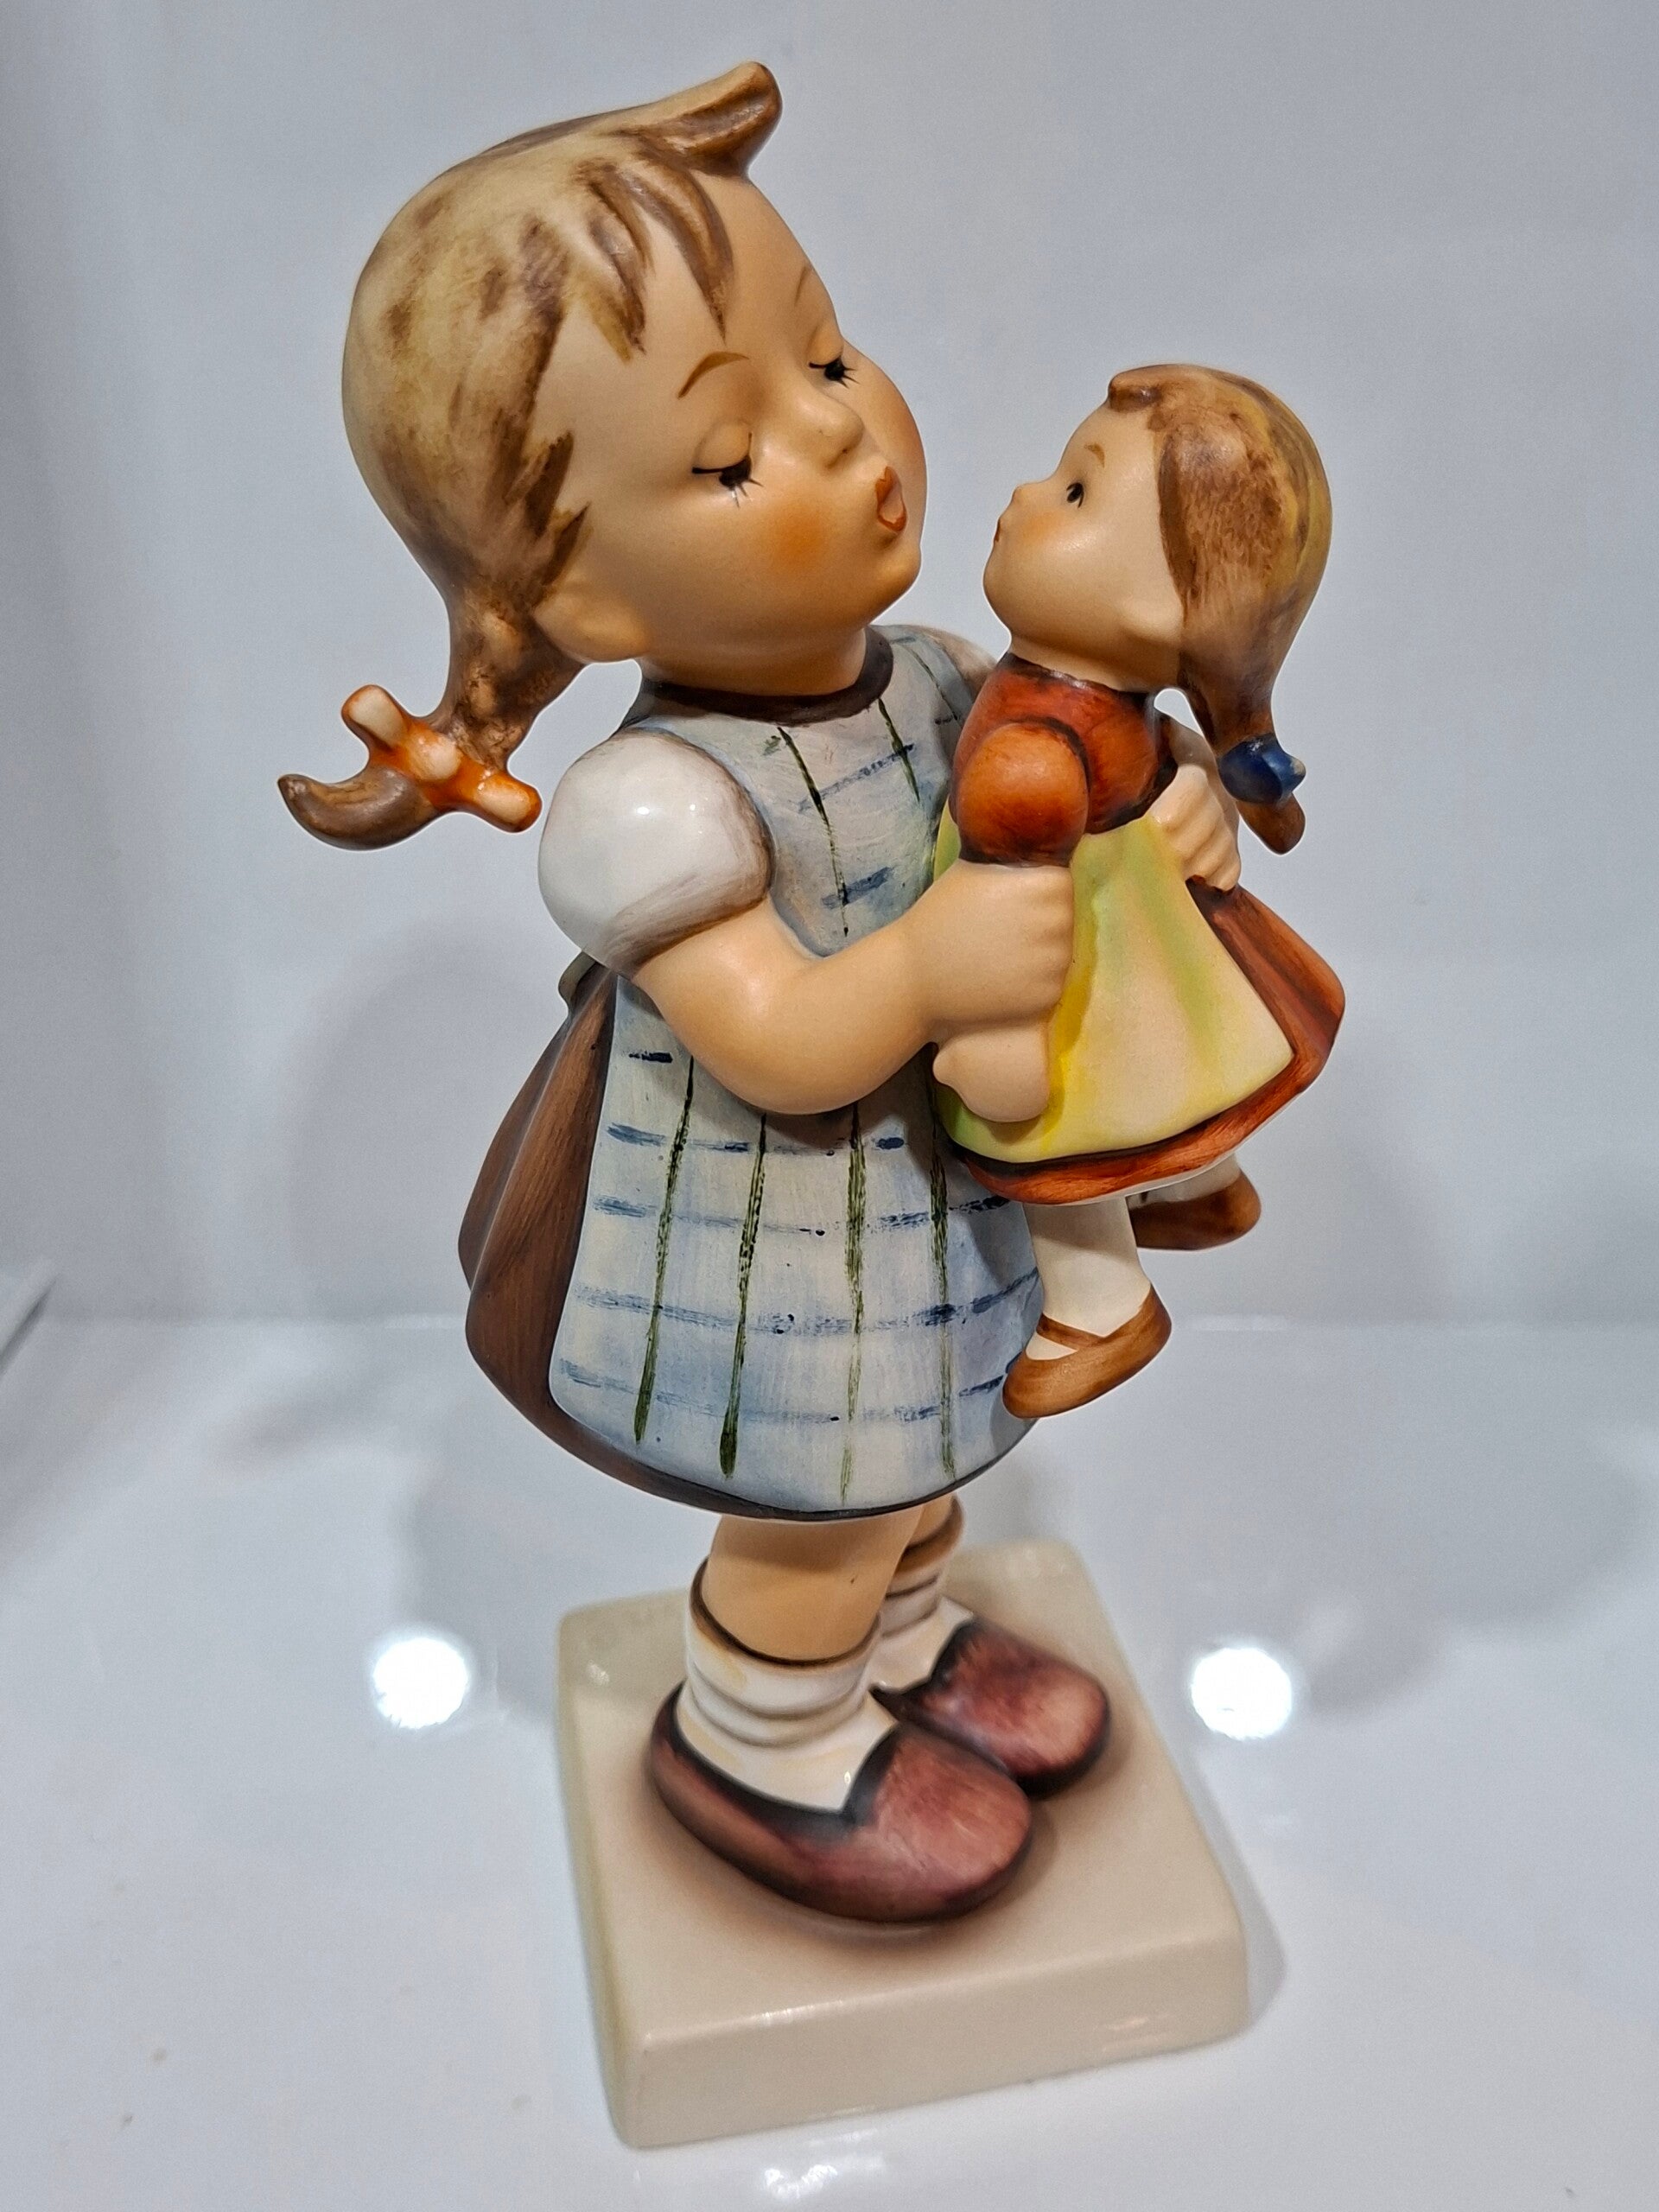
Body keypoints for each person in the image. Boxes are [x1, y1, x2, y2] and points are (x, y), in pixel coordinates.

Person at [280, 68, 1243, 1919]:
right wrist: (927, 965)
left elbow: (1088, 780)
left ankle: (907, 1650)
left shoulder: (944, 672)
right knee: (818, 1506)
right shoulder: (655, 802)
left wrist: (1176, 804)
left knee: (928, 1460)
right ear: (577, 602)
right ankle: (767, 1739)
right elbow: (780, 1043)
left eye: (827, 352)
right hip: (772, 1243)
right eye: (730, 458)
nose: (841, 430)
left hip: (928, 1207)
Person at [931, 367, 1344, 1418]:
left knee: (1053, 1146)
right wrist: (1200, 766)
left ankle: (1100, 1303)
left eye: (1076, 493)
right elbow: (1158, 743)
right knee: (1187, 1065)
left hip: (1074, 972)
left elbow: (1012, 918)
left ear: (1156, 608)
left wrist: (1003, 1041)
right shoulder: (1093, 703)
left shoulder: (1031, 751)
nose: (1025, 494)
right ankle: (1203, 1189)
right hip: (1139, 942)